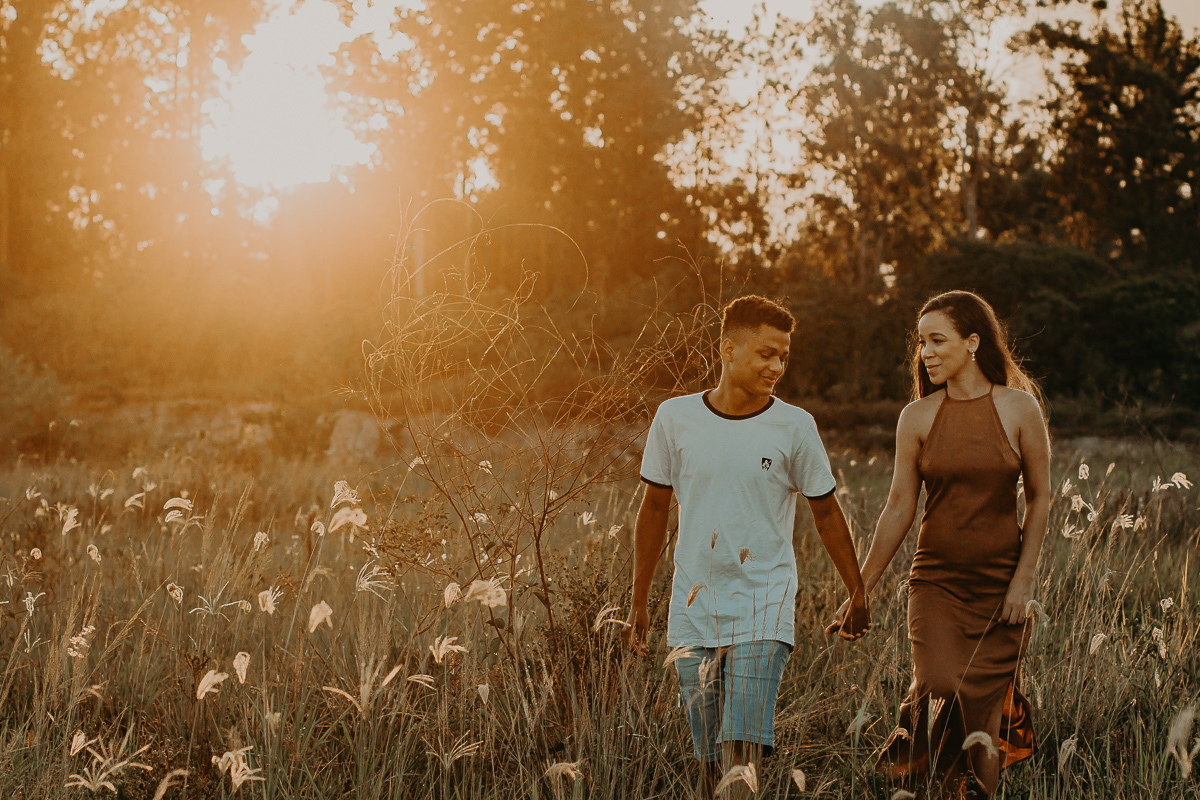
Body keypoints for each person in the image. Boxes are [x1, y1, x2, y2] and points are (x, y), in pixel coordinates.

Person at [624, 295, 871, 800]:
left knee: (740, 755)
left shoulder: (795, 426)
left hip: (764, 603)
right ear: (728, 349)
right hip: (693, 607)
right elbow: (653, 510)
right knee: (708, 761)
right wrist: (639, 601)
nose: (776, 366)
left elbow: (826, 512)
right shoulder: (674, 417)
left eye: (784, 356)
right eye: (765, 354)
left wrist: (857, 590)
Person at [827, 290, 1050, 798]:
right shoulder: (917, 416)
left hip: (1001, 585)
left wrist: (1023, 581)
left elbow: (1040, 498)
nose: (925, 352)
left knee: (981, 709)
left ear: (972, 342)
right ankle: (916, 750)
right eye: (921, 342)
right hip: (936, 583)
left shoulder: (1020, 408)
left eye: (937, 340)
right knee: (940, 684)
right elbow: (898, 507)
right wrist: (860, 588)